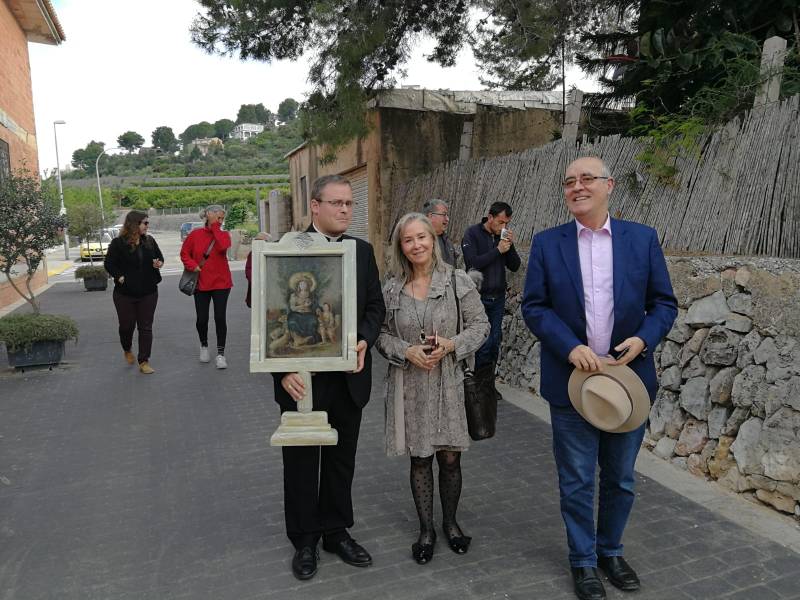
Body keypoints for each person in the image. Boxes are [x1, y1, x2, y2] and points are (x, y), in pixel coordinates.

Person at [521, 156, 677, 600]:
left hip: (627, 385)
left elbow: (664, 303)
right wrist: (569, 346)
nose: (576, 186)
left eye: (586, 178)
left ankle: (611, 551)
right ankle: (584, 562)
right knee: (576, 480)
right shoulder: (548, 244)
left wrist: (643, 341)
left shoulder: (642, 240)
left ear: (609, 185)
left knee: (621, 478)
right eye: (569, 181)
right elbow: (535, 307)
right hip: (571, 384)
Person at [273, 174, 385, 581]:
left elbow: (375, 306)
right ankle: (305, 540)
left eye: (349, 204)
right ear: (315, 206)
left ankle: (336, 531)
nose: (344, 210)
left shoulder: (362, 250)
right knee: (302, 462)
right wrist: (282, 368)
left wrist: (365, 341)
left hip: (348, 379)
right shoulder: (283, 252)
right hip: (301, 378)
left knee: (341, 461)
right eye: (336, 203)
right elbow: (269, 316)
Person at [376, 213, 488, 565]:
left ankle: (451, 524)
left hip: (448, 382)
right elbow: (379, 334)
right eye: (408, 240)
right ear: (400, 246)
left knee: (450, 458)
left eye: (422, 237)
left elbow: (481, 325)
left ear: (433, 239)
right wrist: (405, 350)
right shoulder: (391, 287)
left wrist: (452, 345)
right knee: (420, 458)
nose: (417, 245)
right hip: (409, 383)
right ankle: (426, 531)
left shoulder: (457, 281)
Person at [461, 201, 521, 399]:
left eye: (506, 223)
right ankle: (476, 385)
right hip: (478, 298)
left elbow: (514, 266)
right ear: (490, 217)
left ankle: (487, 385)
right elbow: (473, 263)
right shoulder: (472, 234)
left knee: (494, 343)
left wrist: (509, 247)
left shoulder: (502, 238)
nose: (503, 227)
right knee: (480, 343)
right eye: (500, 222)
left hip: (498, 298)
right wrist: (497, 251)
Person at [103, 210, 164, 374]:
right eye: (145, 223)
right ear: (134, 224)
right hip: (125, 294)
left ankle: (144, 361)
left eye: (147, 223)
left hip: (148, 291)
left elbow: (160, 258)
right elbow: (109, 264)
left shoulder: (149, 241)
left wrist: (159, 263)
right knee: (126, 326)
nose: (147, 226)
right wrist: (119, 276)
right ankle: (127, 348)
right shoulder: (118, 243)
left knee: (145, 327)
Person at [180, 204, 232, 369]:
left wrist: (215, 225)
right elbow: (184, 253)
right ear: (209, 215)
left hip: (222, 283)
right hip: (201, 283)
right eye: (219, 217)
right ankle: (204, 346)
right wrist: (192, 265)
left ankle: (221, 354)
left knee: (220, 318)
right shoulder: (195, 235)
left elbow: (223, 247)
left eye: (223, 218)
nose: (221, 221)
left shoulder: (223, 234)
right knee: (202, 319)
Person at [422, 198, 461, 268]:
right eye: (444, 214)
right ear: (431, 216)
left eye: (447, 215)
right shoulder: (420, 241)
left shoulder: (447, 241)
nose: (447, 219)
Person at [245, 232, 270, 308]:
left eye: (261, 241)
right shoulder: (252, 253)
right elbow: (248, 269)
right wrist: (255, 281)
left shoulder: (271, 252)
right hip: (256, 286)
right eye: (257, 240)